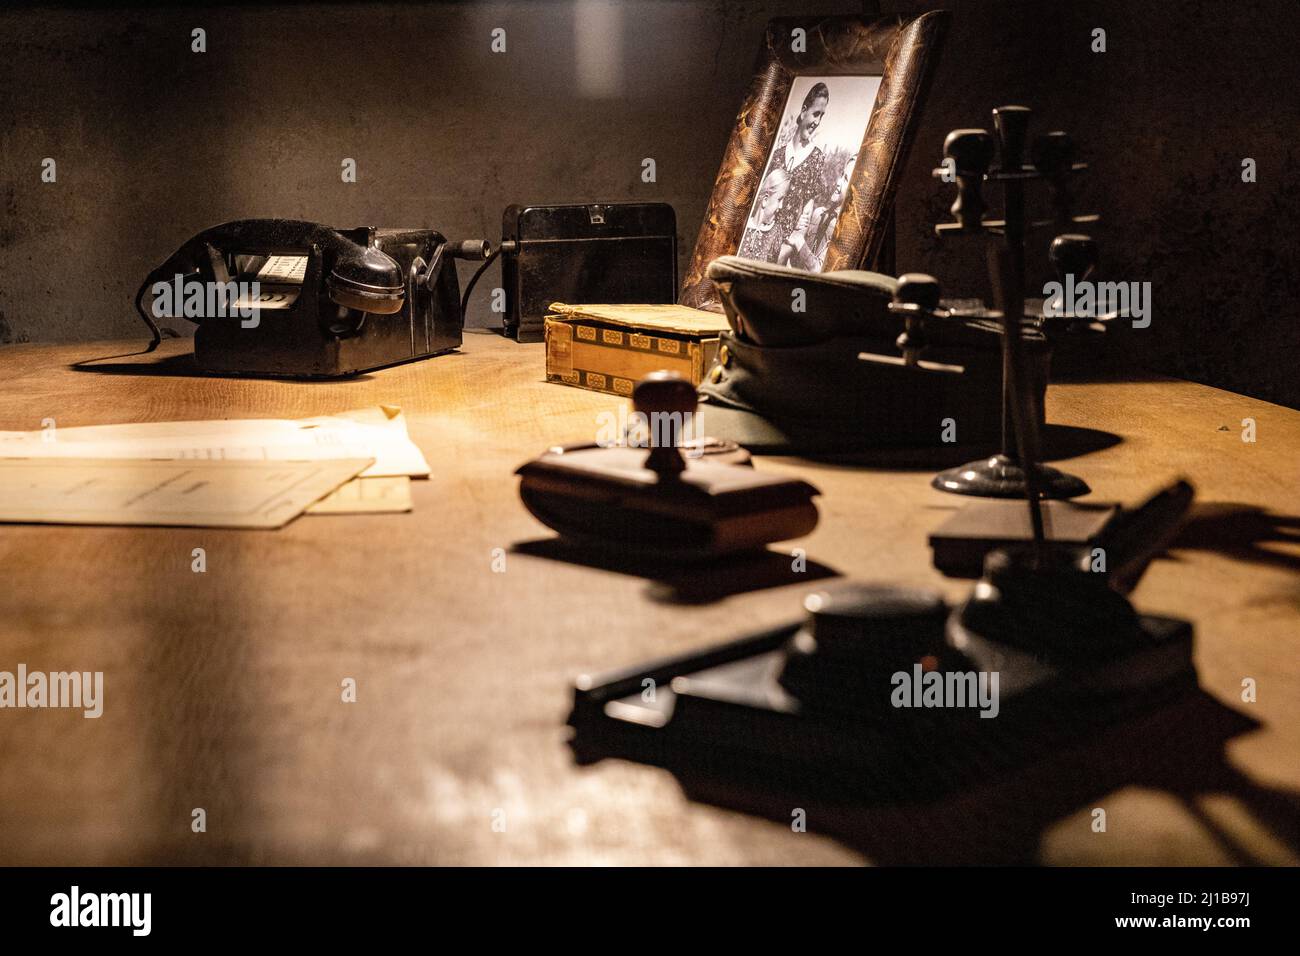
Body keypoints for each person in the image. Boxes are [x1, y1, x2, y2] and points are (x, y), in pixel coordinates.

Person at [779, 154, 856, 271]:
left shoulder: (846, 233)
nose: (838, 182)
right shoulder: (818, 214)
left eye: (845, 179)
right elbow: (793, 258)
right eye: (841, 175)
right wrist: (795, 229)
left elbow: (821, 271)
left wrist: (799, 241)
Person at [737, 167, 791, 262]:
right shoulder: (740, 224)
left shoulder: (775, 233)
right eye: (779, 200)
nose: (781, 206)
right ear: (765, 200)